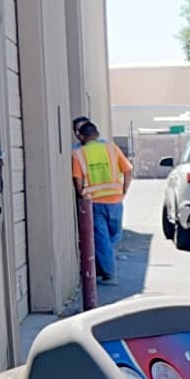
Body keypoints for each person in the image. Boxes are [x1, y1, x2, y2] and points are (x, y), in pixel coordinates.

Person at [70, 119, 132, 285]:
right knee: (114, 234)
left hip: (94, 201)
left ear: (82, 137)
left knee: (101, 238)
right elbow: (128, 170)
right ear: (97, 134)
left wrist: (81, 193)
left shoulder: (78, 154)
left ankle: (108, 271)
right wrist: (124, 189)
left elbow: (78, 180)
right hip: (115, 199)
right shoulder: (111, 148)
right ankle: (106, 266)